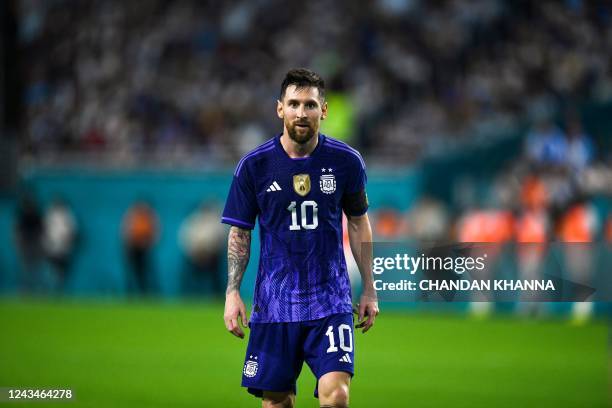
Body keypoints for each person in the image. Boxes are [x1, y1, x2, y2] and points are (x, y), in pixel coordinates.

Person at [221, 68, 379, 408]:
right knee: (277, 403)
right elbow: (240, 232)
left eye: (309, 105)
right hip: (274, 305)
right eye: (293, 104)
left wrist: (369, 287)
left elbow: (358, 222)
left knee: (336, 397)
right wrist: (232, 291)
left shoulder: (346, 162)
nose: (301, 112)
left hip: (331, 301)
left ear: (324, 110)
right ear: (280, 109)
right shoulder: (254, 166)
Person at [121, 200, 158, 295]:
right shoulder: (131, 215)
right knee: (130, 273)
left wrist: (148, 243)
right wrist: (130, 243)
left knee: (145, 273)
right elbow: (125, 232)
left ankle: (144, 294)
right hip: (131, 248)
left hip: (144, 249)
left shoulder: (150, 217)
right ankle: (129, 294)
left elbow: (155, 233)